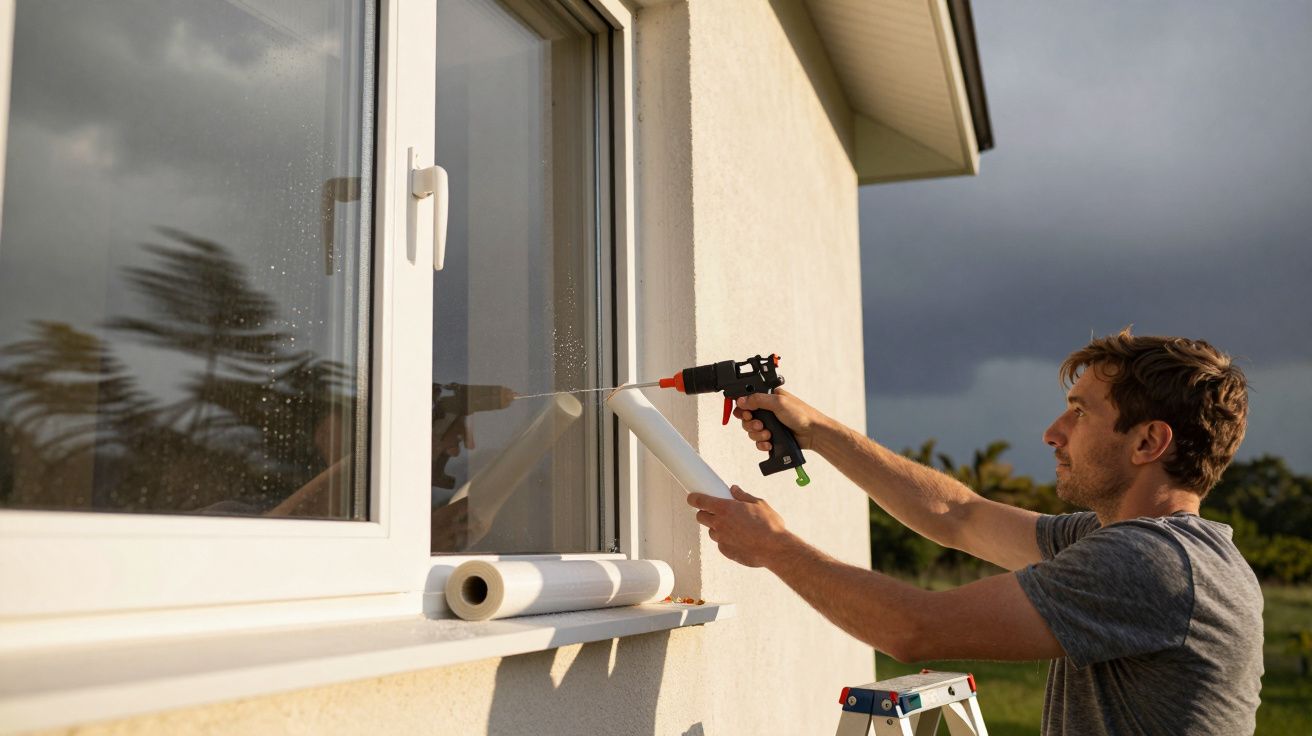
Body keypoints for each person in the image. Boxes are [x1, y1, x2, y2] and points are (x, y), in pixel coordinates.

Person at [687, 329, 1263, 735]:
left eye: (1081, 412)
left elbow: (913, 630)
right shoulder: (1134, 542)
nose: (1053, 432)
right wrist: (817, 431)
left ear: (1148, 443)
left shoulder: (1148, 563)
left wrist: (774, 547)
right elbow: (956, 515)